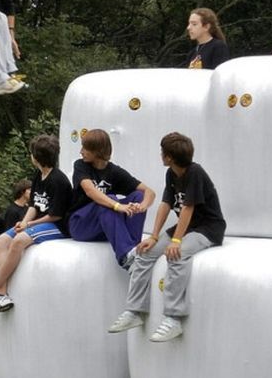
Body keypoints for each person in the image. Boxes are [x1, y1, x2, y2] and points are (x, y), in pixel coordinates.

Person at [108, 132, 226, 342]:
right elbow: (165, 204)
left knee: (176, 255)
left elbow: (188, 208)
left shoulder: (195, 172)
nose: (160, 155)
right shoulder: (171, 174)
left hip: (207, 228)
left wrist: (176, 241)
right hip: (187, 227)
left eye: (163, 152)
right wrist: (154, 236)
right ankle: (135, 311)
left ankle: (174, 318)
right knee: (144, 253)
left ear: (169, 157)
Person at [0, 134, 72, 317]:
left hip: (57, 225)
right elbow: (33, 205)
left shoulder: (59, 181)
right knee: (1, 240)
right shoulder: (38, 175)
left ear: (37, 157)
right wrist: (24, 222)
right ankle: (2, 295)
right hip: (36, 221)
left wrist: (29, 224)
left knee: (18, 241)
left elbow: (55, 215)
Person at [68, 129, 156, 268]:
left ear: (97, 151)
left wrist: (143, 205)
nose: (81, 151)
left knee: (138, 196)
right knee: (109, 199)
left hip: (104, 226)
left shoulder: (114, 171)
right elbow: (90, 191)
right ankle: (125, 255)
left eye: (85, 148)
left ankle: (133, 250)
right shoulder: (80, 165)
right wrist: (117, 206)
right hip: (80, 225)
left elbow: (149, 192)